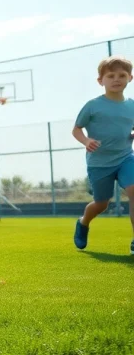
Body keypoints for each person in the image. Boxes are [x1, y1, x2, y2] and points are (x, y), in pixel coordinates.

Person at [72, 55, 134, 253]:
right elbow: (77, 129)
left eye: (122, 75)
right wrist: (86, 141)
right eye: (111, 76)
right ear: (101, 81)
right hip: (99, 163)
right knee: (101, 204)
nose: (116, 79)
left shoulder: (132, 105)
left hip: (125, 157)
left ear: (130, 78)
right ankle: (83, 223)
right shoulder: (93, 106)